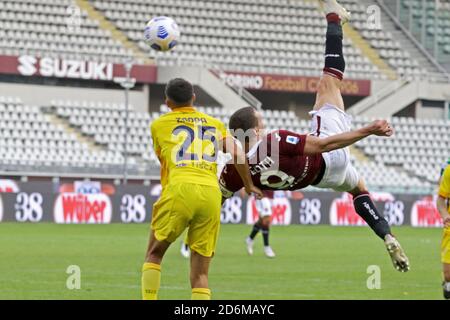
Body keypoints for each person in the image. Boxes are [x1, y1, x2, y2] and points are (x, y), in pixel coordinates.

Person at [219, 0, 410, 272]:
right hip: (328, 157)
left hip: (325, 180)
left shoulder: (236, 169)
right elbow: (324, 144)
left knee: (358, 190)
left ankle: (387, 235)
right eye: (260, 120)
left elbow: (218, 197)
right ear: (255, 129)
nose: (264, 122)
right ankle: (334, 19)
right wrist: (368, 130)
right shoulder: (275, 141)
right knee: (328, 82)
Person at [142, 78, 262, 300]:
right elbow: (236, 155)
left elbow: (164, 160)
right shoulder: (215, 124)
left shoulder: (158, 125)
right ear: (194, 98)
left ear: (167, 102)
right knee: (200, 275)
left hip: (180, 189)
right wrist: (248, 184)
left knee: (154, 254)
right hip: (210, 194)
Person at [246, 190, 276, 258]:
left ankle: (250, 239)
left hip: (271, 192)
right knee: (266, 220)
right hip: (261, 193)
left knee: (261, 220)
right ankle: (267, 247)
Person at [437, 163, 450, 299]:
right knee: (448, 275)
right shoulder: (449, 171)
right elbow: (440, 200)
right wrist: (445, 214)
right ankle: (447, 283)